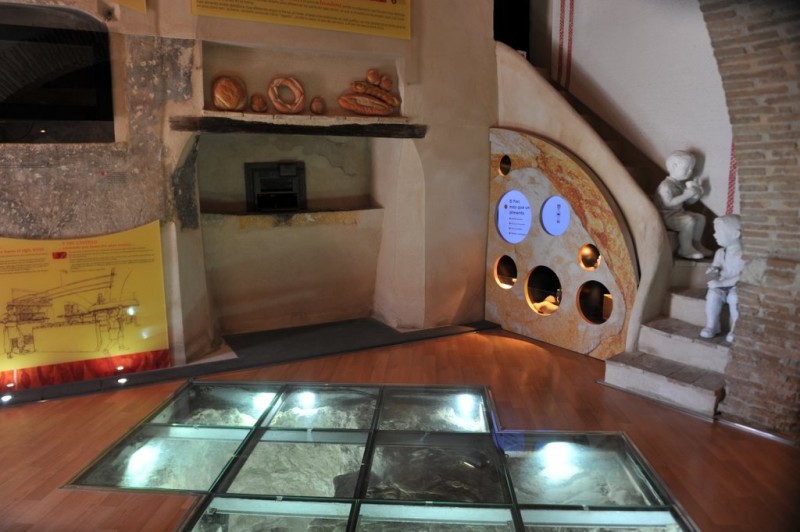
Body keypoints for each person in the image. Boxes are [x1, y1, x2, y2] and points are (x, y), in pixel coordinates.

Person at [654, 150, 710, 259]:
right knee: (688, 221)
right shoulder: (665, 186)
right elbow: (668, 203)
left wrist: (696, 195)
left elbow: (689, 202)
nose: (690, 172)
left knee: (700, 218)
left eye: (691, 169)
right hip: (666, 216)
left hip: (678, 213)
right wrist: (686, 195)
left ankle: (696, 244)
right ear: (674, 166)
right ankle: (685, 248)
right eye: (687, 169)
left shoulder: (679, 184)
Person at [700, 215, 744, 343]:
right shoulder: (720, 252)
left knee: (734, 298)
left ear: (736, 234)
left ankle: (736, 328)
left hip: (738, 286)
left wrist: (722, 282)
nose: (714, 235)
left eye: (718, 232)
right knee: (713, 294)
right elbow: (716, 267)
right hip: (722, 284)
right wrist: (713, 271)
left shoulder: (744, 254)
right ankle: (712, 325)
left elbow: (744, 275)